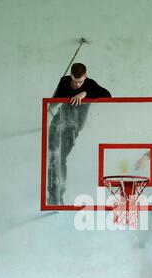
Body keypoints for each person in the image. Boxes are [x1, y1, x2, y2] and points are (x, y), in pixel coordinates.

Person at [47, 63, 111, 204]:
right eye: (75, 82)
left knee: (61, 156)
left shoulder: (89, 84)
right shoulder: (64, 81)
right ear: (70, 76)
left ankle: (59, 194)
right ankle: (52, 194)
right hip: (58, 123)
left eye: (80, 82)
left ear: (85, 77)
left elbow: (108, 96)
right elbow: (56, 97)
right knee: (52, 157)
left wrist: (85, 93)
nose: (77, 85)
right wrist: (49, 108)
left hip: (72, 127)